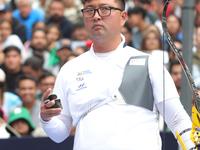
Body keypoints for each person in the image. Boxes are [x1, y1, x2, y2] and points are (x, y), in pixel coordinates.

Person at [40, 0, 195, 149]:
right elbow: (59, 134)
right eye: (89, 10)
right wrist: (46, 119)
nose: (96, 16)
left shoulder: (149, 63)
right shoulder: (70, 69)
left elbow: (177, 119)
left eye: (105, 9)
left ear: (123, 17)